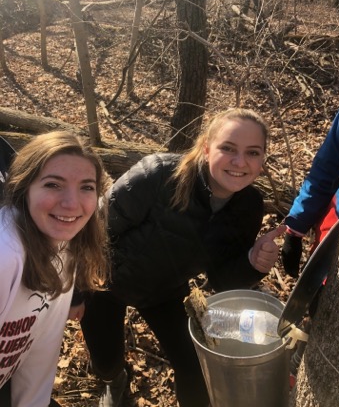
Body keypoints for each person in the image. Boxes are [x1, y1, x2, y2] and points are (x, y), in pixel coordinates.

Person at [80, 108, 286, 407]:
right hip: (105, 283)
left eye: (252, 152)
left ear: (262, 159)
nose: (240, 162)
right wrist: (76, 290)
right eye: (228, 148)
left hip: (165, 290)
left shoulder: (249, 205)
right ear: (206, 148)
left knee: (196, 367)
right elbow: (92, 231)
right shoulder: (159, 174)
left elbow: (221, 280)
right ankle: (116, 381)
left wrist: (253, 263)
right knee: (105, 362)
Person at [0, 131, 110, 407]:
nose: (72, 204)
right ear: (23, 188)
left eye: (86, 187)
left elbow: (41, 345)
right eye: (53, 185)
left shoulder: (66, 246)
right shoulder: (6, 255)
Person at [281, 88, 339, 385]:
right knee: (318, 318)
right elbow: (325, 169)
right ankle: (295, 374)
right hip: (333, 243)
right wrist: (296, 229)